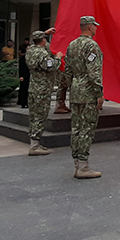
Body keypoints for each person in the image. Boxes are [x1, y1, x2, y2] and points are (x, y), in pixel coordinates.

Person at [64, 16, 104, 179]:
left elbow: (67, 70)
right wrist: (99, 93)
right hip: (88, 92)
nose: (96, 28)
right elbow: (93, 72)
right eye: (94, 26)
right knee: (87, 129)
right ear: (89, 27)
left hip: (75, 90)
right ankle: (84, 166)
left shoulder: (72, 45)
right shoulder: (91, 45)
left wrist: (73, 85)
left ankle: (76, 164)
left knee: (76, 128)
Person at [25, 29, 62, 156]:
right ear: (43, 40)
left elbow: (38, 44)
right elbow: (50, 66)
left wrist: (45, 33)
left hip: (33, 87)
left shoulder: (30, 51)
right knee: (40, 116)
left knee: (34, 116)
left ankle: (33, 142)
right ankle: (35, 145)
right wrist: (58, 58)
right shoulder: (42, 53)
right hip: (43, 89)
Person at [17, 38, 30, 108]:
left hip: (30, 76)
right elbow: (21, 67)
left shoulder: (31, 58)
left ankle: (28, 103)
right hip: (24, 76)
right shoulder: (23, 58)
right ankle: (22, 103)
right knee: (23, 89)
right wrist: (21, 76)